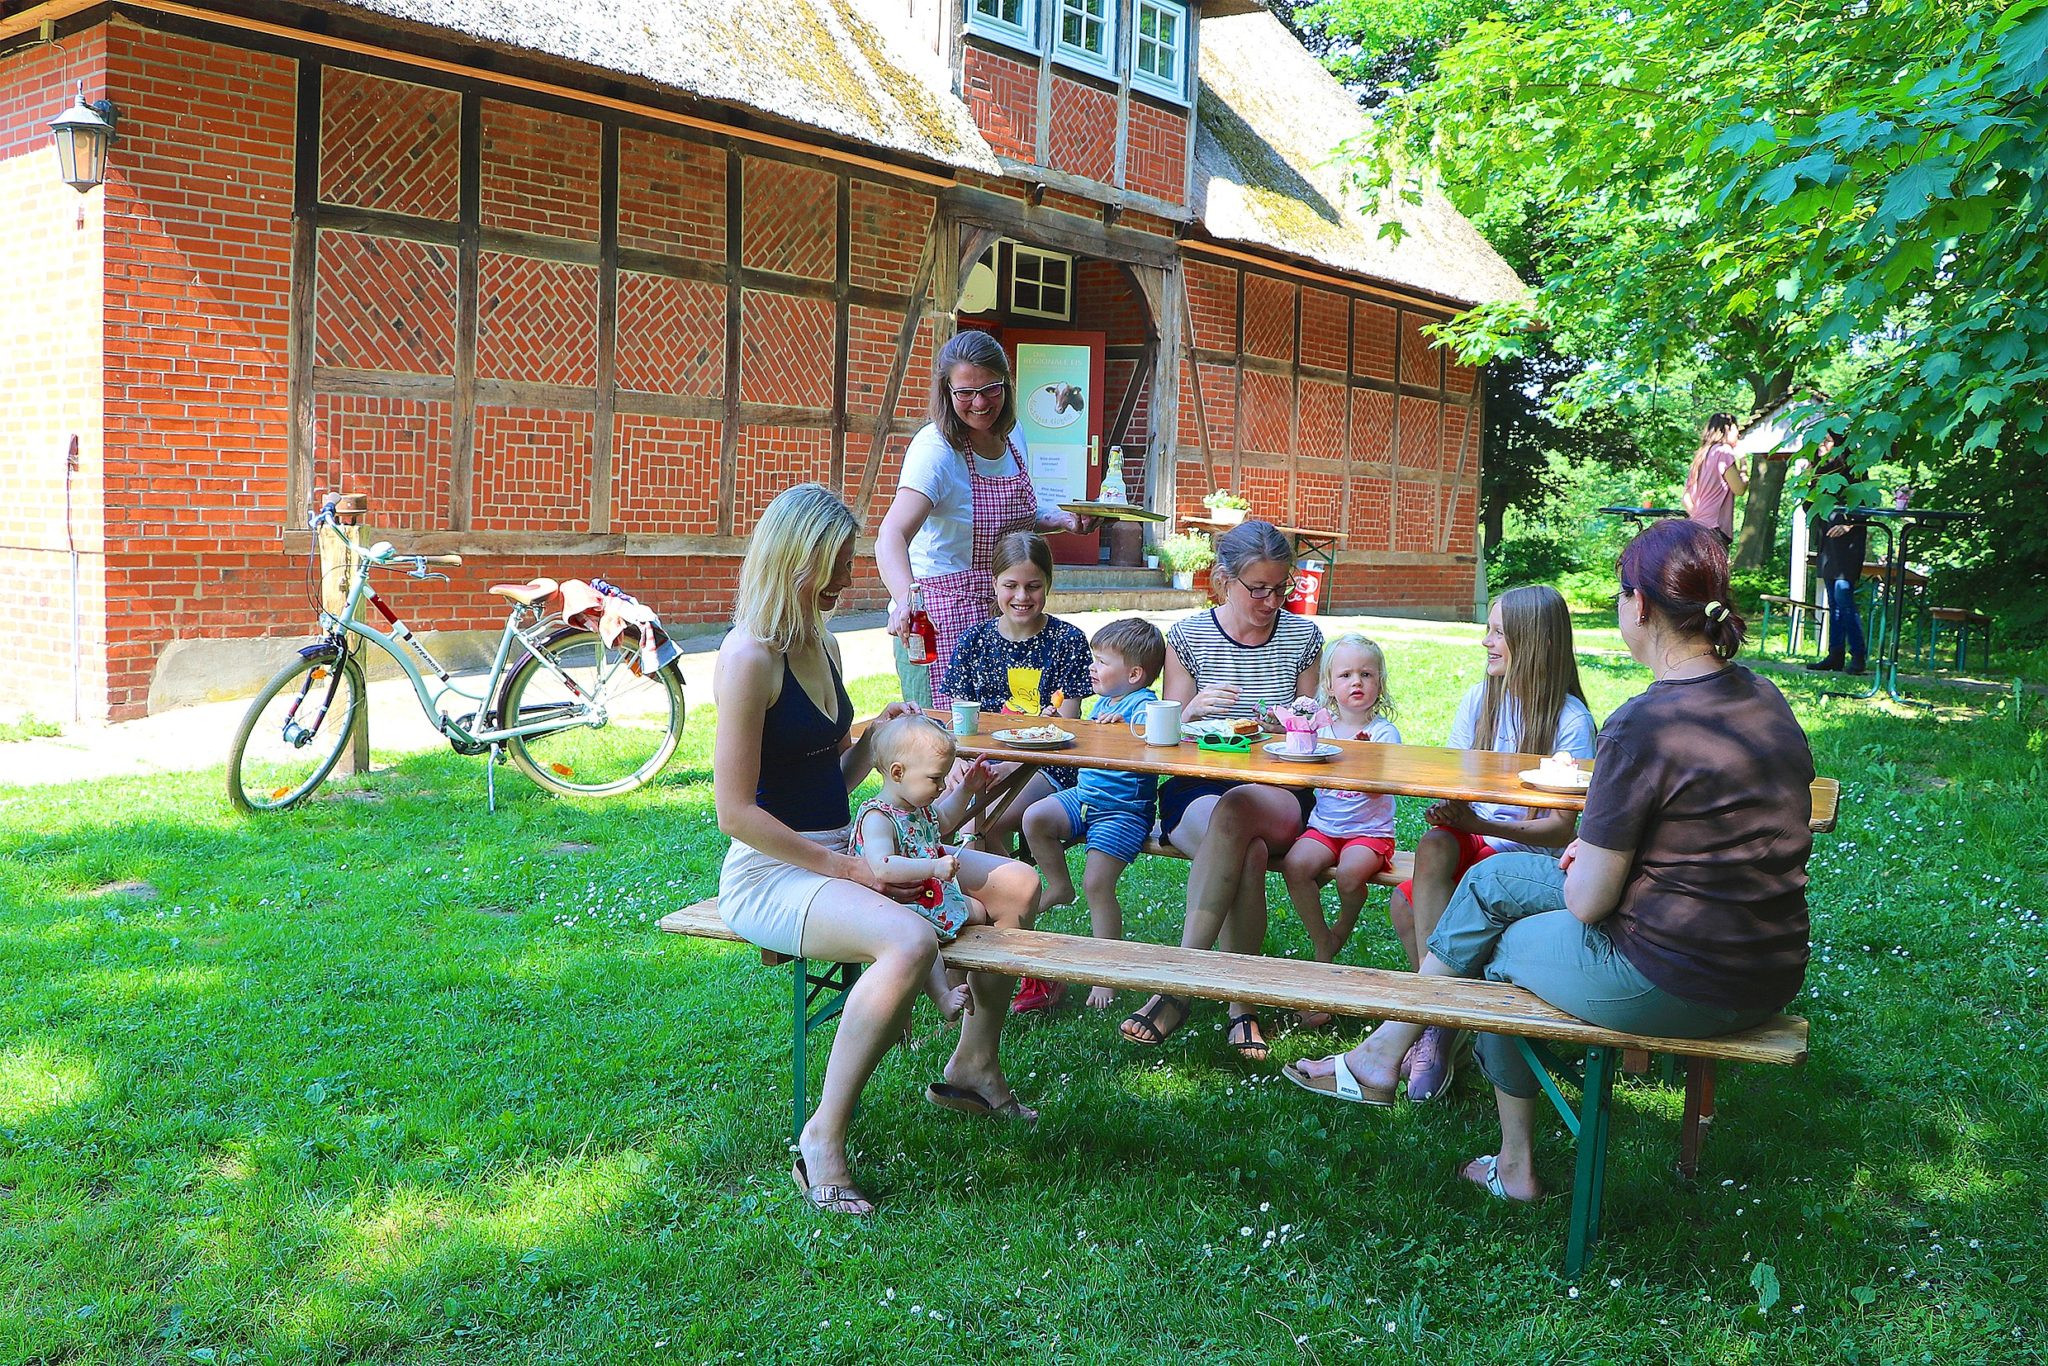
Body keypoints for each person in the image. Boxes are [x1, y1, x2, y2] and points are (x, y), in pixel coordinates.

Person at [1285, 518, 1813, 1206]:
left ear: (1640, 606)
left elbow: (1591, 902)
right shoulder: (1765, 699)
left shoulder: (1642, 724)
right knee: (1492, 878)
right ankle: (1387, 1055)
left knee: (1497, 951)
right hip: (1769, 967)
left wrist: (1588, 860)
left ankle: (1505, 1158)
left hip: (1681, 978)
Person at [712, 483, 1043, 1217]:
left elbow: (822, 782)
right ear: (793, 560)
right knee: (907, 938)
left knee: (1017, 886)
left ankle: (973, 1065)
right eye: (833, 563)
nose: (846, 577)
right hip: (773, 870)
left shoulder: (822, 643)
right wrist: (848, 868)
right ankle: (822, 1139)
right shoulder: (748, 656)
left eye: (847, 561)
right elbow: (736, 812)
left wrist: (871, 742)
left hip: (844, 845)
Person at [1119, 520, 1323, 1061]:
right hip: (1198, 788)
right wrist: (1189, 711)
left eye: (1280, 588)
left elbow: (1312, 726)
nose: (1272, 601)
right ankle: (1241, 1005)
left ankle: (1178, 987)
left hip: (1278, 789)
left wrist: (1289, 723)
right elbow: (1167, 737)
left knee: (1240, 808)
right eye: (1258, 589)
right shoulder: (1188, 636)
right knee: (1246, 851)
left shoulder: (1303, 637)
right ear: (1224, 581)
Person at [1385, 585, 1595, 1102]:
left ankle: (1435, 1027)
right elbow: (1454, 782)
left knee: (1407, 902)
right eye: (1489, 630)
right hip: (1479, 840)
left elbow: (1561, 830)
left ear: (1534, 642)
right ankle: (1439, 1021)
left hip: (1528, 860)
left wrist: (1482, 822)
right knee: (1433, 845)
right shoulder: (1480, 701)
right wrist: (1453, 810)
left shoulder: (1570, 721)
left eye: (1499, 632)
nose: (1486, 642)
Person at [877, 331, 1095, 709]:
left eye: (991, 389)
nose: (979, 403)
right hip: (941, 616)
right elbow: (891, 534)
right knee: (942, 733)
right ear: (946, 391)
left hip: (1002, 612)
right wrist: (904, 602)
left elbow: (1014, 519)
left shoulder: (1014, 435)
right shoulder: (935, 451)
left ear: (1006, 385)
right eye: (965, 393)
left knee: (1004, 729)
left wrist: (1063, 519)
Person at [1020, 617, 1169, 1011]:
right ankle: (1058, 885)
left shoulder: (1144, 705)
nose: (1092, 667)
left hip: (1123, 811)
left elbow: (1153, 736)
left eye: (1102, 662)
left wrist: (1126, 727)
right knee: (1035, 818)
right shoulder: (1102, 702)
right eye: (1094, 659)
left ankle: (1106, 973)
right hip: (1084, 796)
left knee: (1097, 885)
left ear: (1134, 674)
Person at [940, 530, 1090, 857]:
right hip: (978, 759)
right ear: (994, 584)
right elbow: (959, 722)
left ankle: (1004, 889)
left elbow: (1065, 725)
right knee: (931, 817)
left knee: (978, 821)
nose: (1022, 596)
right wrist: (955, 761)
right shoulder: (973, 640)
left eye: (1033, 586)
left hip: (1044, 764)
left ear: (1048, 584)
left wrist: (1010, 766)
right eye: (1011, 585)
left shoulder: (1068, 641)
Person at [1279, 634, 1402, 1028]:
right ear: (1329, 685)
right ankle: (1323, 941)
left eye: (1366, 674)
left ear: (1380, 683)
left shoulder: (1383, 734)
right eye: (1346, 675)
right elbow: (1303, 768)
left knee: (1350, 874)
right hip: (1326, 826)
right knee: (1296, 865)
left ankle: (1343, 926)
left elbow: (1381, 786)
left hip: (1370, 831)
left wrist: (1365, 758)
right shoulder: (1322, 728)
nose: (1357, 682)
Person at [853, 714, 1003, 1024]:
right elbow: (883, 867)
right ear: (898, 772)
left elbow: (944, 821)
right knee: (923, 938)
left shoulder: (917, 807)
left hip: (927, 896)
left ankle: (962, 975)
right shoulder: (878, 817)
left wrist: (966, 789)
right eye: (935, 779)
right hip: (895, 904)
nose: (941, 786)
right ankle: (942, 995)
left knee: (978, 911)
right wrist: (933, 866)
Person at [1805, 437, 1868, 674]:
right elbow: (1809, 507)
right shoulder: (1819, 472)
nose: (1822, 443)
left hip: (1848, 546)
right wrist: (1809, 479)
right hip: (1827, 545)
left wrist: (1849, 524)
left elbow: (1865, 504)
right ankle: (1836, 654)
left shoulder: (1854, 468)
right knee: (1833, 601)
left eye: (1828, 439)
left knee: (1844, 598)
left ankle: (1858, 655)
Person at [1682, 412, 1746, 546]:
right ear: (1726, 429)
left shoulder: (1701, 455)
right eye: (1736, 430)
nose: (1739, 435)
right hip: (1715, 529)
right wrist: (1743, 462)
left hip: (1695, 528)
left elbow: (1686, 497)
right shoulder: (1724, 452)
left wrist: (1699, 516)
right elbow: (1739, 489)